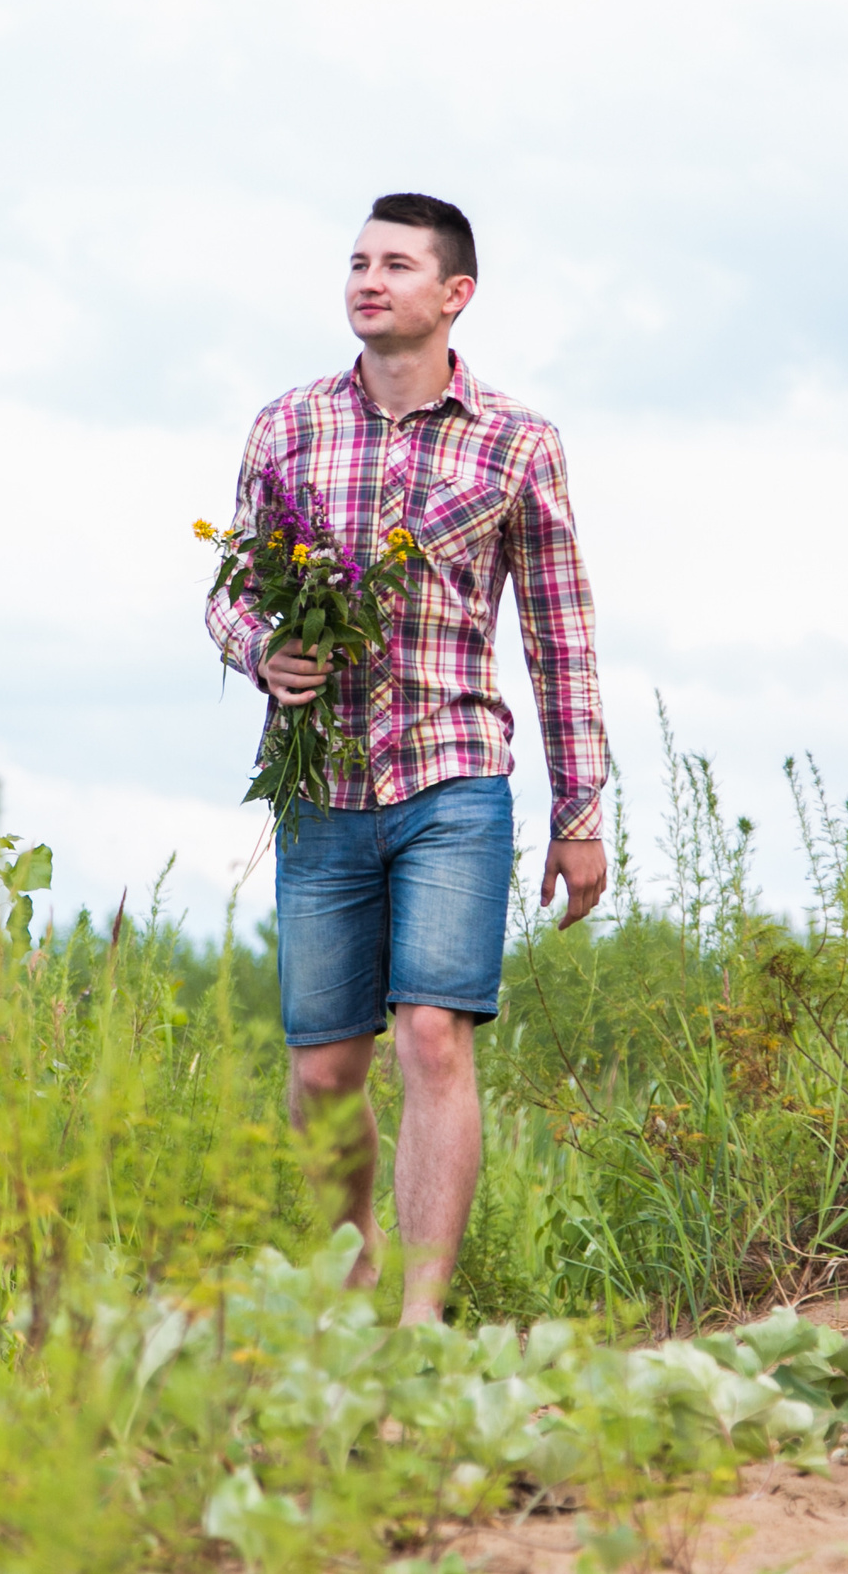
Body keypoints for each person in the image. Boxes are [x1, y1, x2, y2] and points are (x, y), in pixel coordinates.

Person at [204, 192, 610, 1325]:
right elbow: (228, 592)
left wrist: (578, 809)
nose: (365, 281)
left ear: (453, 293)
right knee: (324, 1071)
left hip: (453, 773)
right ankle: (349, 1288)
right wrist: (259, 645)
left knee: (432, 1032)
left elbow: (559, 632)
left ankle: (421, 1319)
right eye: (355, 263)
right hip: (321, 783)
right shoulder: (286, 428)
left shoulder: (517, 441)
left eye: (393, 264)